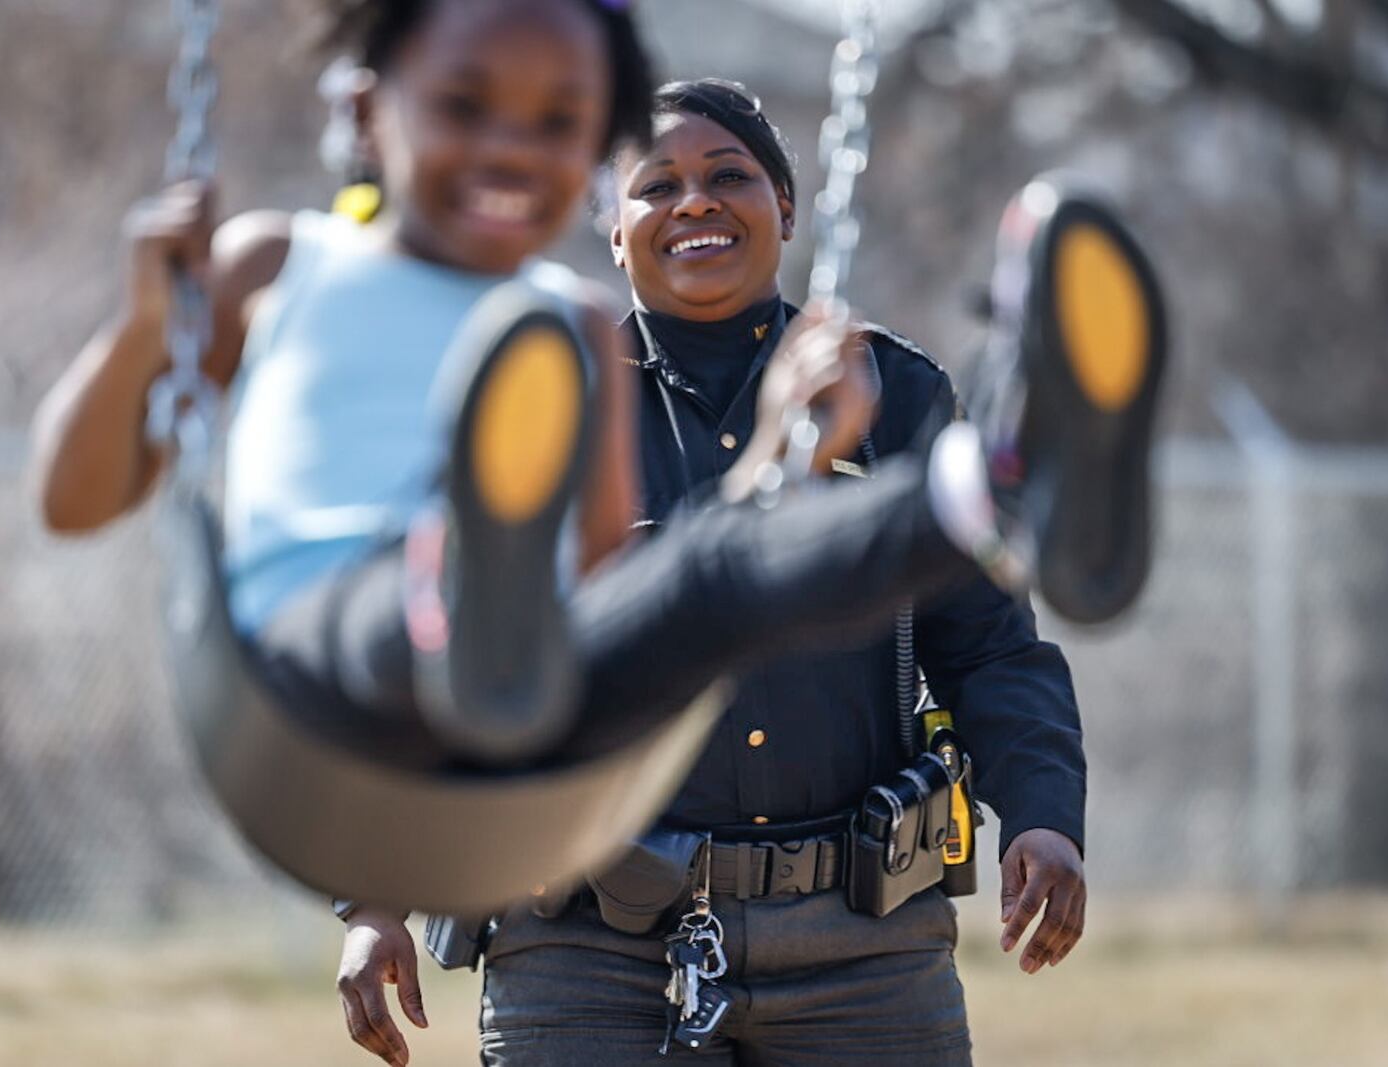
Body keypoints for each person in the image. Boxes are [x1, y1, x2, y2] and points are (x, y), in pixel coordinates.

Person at [335, 81, 1154, 1066]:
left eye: (730, 176)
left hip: (861, 949)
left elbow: (989, 649)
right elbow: (440, 649)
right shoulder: (542, 404)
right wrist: (374, 892)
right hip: (589, 947)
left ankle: (1031, 452)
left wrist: (1042, 813)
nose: (694, 202)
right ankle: (1022, 458)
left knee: (937, 517)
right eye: (654, 185)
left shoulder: (892, 394)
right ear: (608, 226)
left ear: (787, 207)